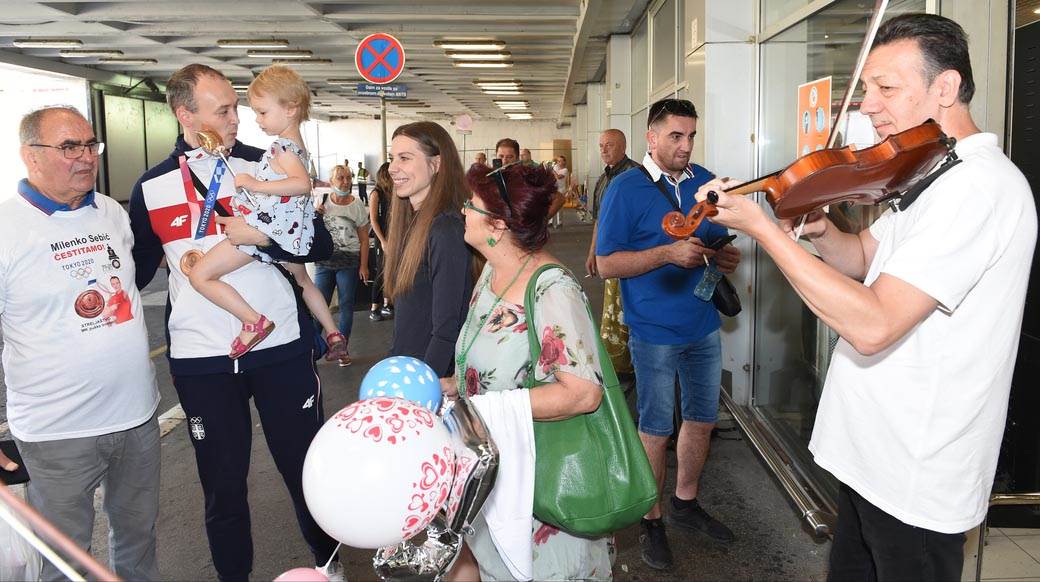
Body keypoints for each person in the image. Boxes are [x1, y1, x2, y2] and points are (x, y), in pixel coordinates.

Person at [694, 14, 1036, 580]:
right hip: (871, 456)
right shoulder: (933, 171)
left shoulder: (980, 188)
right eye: (867, 89)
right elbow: (864, 259)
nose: (868, 106)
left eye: (887, 88)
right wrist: (820, 229)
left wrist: (769, 232)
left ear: (945, 88)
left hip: (915, 473)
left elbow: (875, 324)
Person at [129, 63, 342, 581]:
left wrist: (263, 238)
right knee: (223, 488)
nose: (236, 119)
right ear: (186, 114)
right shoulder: (150, 187)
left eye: (237, 107)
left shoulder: (265, 165)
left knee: (306, 472)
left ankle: (331, 568)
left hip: (281, 346)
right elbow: (134, 271)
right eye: (223, 110)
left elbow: (319, 244)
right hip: (203, 359)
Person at [1, 106, 160, 581]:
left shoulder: (111, 212)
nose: (86, 157)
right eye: (70, 147)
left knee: (139, 541)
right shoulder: (7, 229)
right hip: (57, 433)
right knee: (64, 561)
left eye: (90, 145)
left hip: (136, 418)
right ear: (31, 156)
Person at [445, 161, 612, 580]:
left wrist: (487, 405)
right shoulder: (493, 274)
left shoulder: (552, 289)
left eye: (472, 206)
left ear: (497, 224)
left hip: (541, 486)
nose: (463, 211)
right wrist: (449, 388)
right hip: (497, 477)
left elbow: (582, 393)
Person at [595, 98, 742, 570]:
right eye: (676, 136)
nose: (686, 145)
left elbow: (714, 242)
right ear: (651, 138)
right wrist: (665, 255)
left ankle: (685, 501)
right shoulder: (625, 188)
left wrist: (723, 258)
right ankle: (651, 519)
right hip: (653, 330)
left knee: (700, 420)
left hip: (703, 324)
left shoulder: (704, 181)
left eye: (691, 135)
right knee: (656, 428)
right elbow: (604, 263)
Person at [187, 65, 348, 362]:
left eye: (262, 112)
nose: (256, 120)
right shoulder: (297, 145)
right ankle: (332, 330)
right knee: (304, 281)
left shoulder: (281, 147)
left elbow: (302, 185)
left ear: (290, 109)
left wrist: (254, 183)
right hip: (292, 232)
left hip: (270, 231)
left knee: (200, 275)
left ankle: (252, 321)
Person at [383, 121, 475, 377]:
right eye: (392, 158)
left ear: (436, 165)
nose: (392, 168)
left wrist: (423, 390)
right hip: (409, 367)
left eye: (405, 158)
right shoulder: (412, 223)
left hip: (429, 377)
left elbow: (447, 328)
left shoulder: (446, 229)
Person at [584, 129, 641, 375]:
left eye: (609, 145)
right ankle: (620, 364)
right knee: (614, 314)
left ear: (623, 146)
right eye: (601, 146)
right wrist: (592, 253)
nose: (604, 150)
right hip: (609, 256)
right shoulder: (603, 179)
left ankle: (637, 362)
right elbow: (599, 221)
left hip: (632, 256)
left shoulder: (637, 176)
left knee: (631, 312)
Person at [314, 164, 370, 366]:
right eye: (340, 178)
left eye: (348, 177)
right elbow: (309, 229)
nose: (345, 182)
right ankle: (313, 349)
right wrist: (314, 214)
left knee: (346, 305)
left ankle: (342, 350)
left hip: (348, 261)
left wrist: (364, 266)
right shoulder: (321, 201)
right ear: (331, 181)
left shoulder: (357, 206)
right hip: (324, 261)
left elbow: (364, 239)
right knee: (318, 304)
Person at [368, 162, 394, 321]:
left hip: (393, 237)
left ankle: (387, 303)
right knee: (380, 273)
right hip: (382, 238)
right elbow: (373, 220)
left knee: (390, 272)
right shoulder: (376, 194)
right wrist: (383, 241)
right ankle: (374, 307)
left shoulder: (392, 193)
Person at [550, 155, 570, 228]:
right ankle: (551, 222)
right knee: (552, 205)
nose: (558, 162)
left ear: (564, 162)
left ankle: (560, 222)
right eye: (558, 161)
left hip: (561, 190)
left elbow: (558, 177)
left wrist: (552, 171)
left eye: (560, 161)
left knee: (559, 207)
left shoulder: (565, 170)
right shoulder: (555, 167)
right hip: (554, 189)